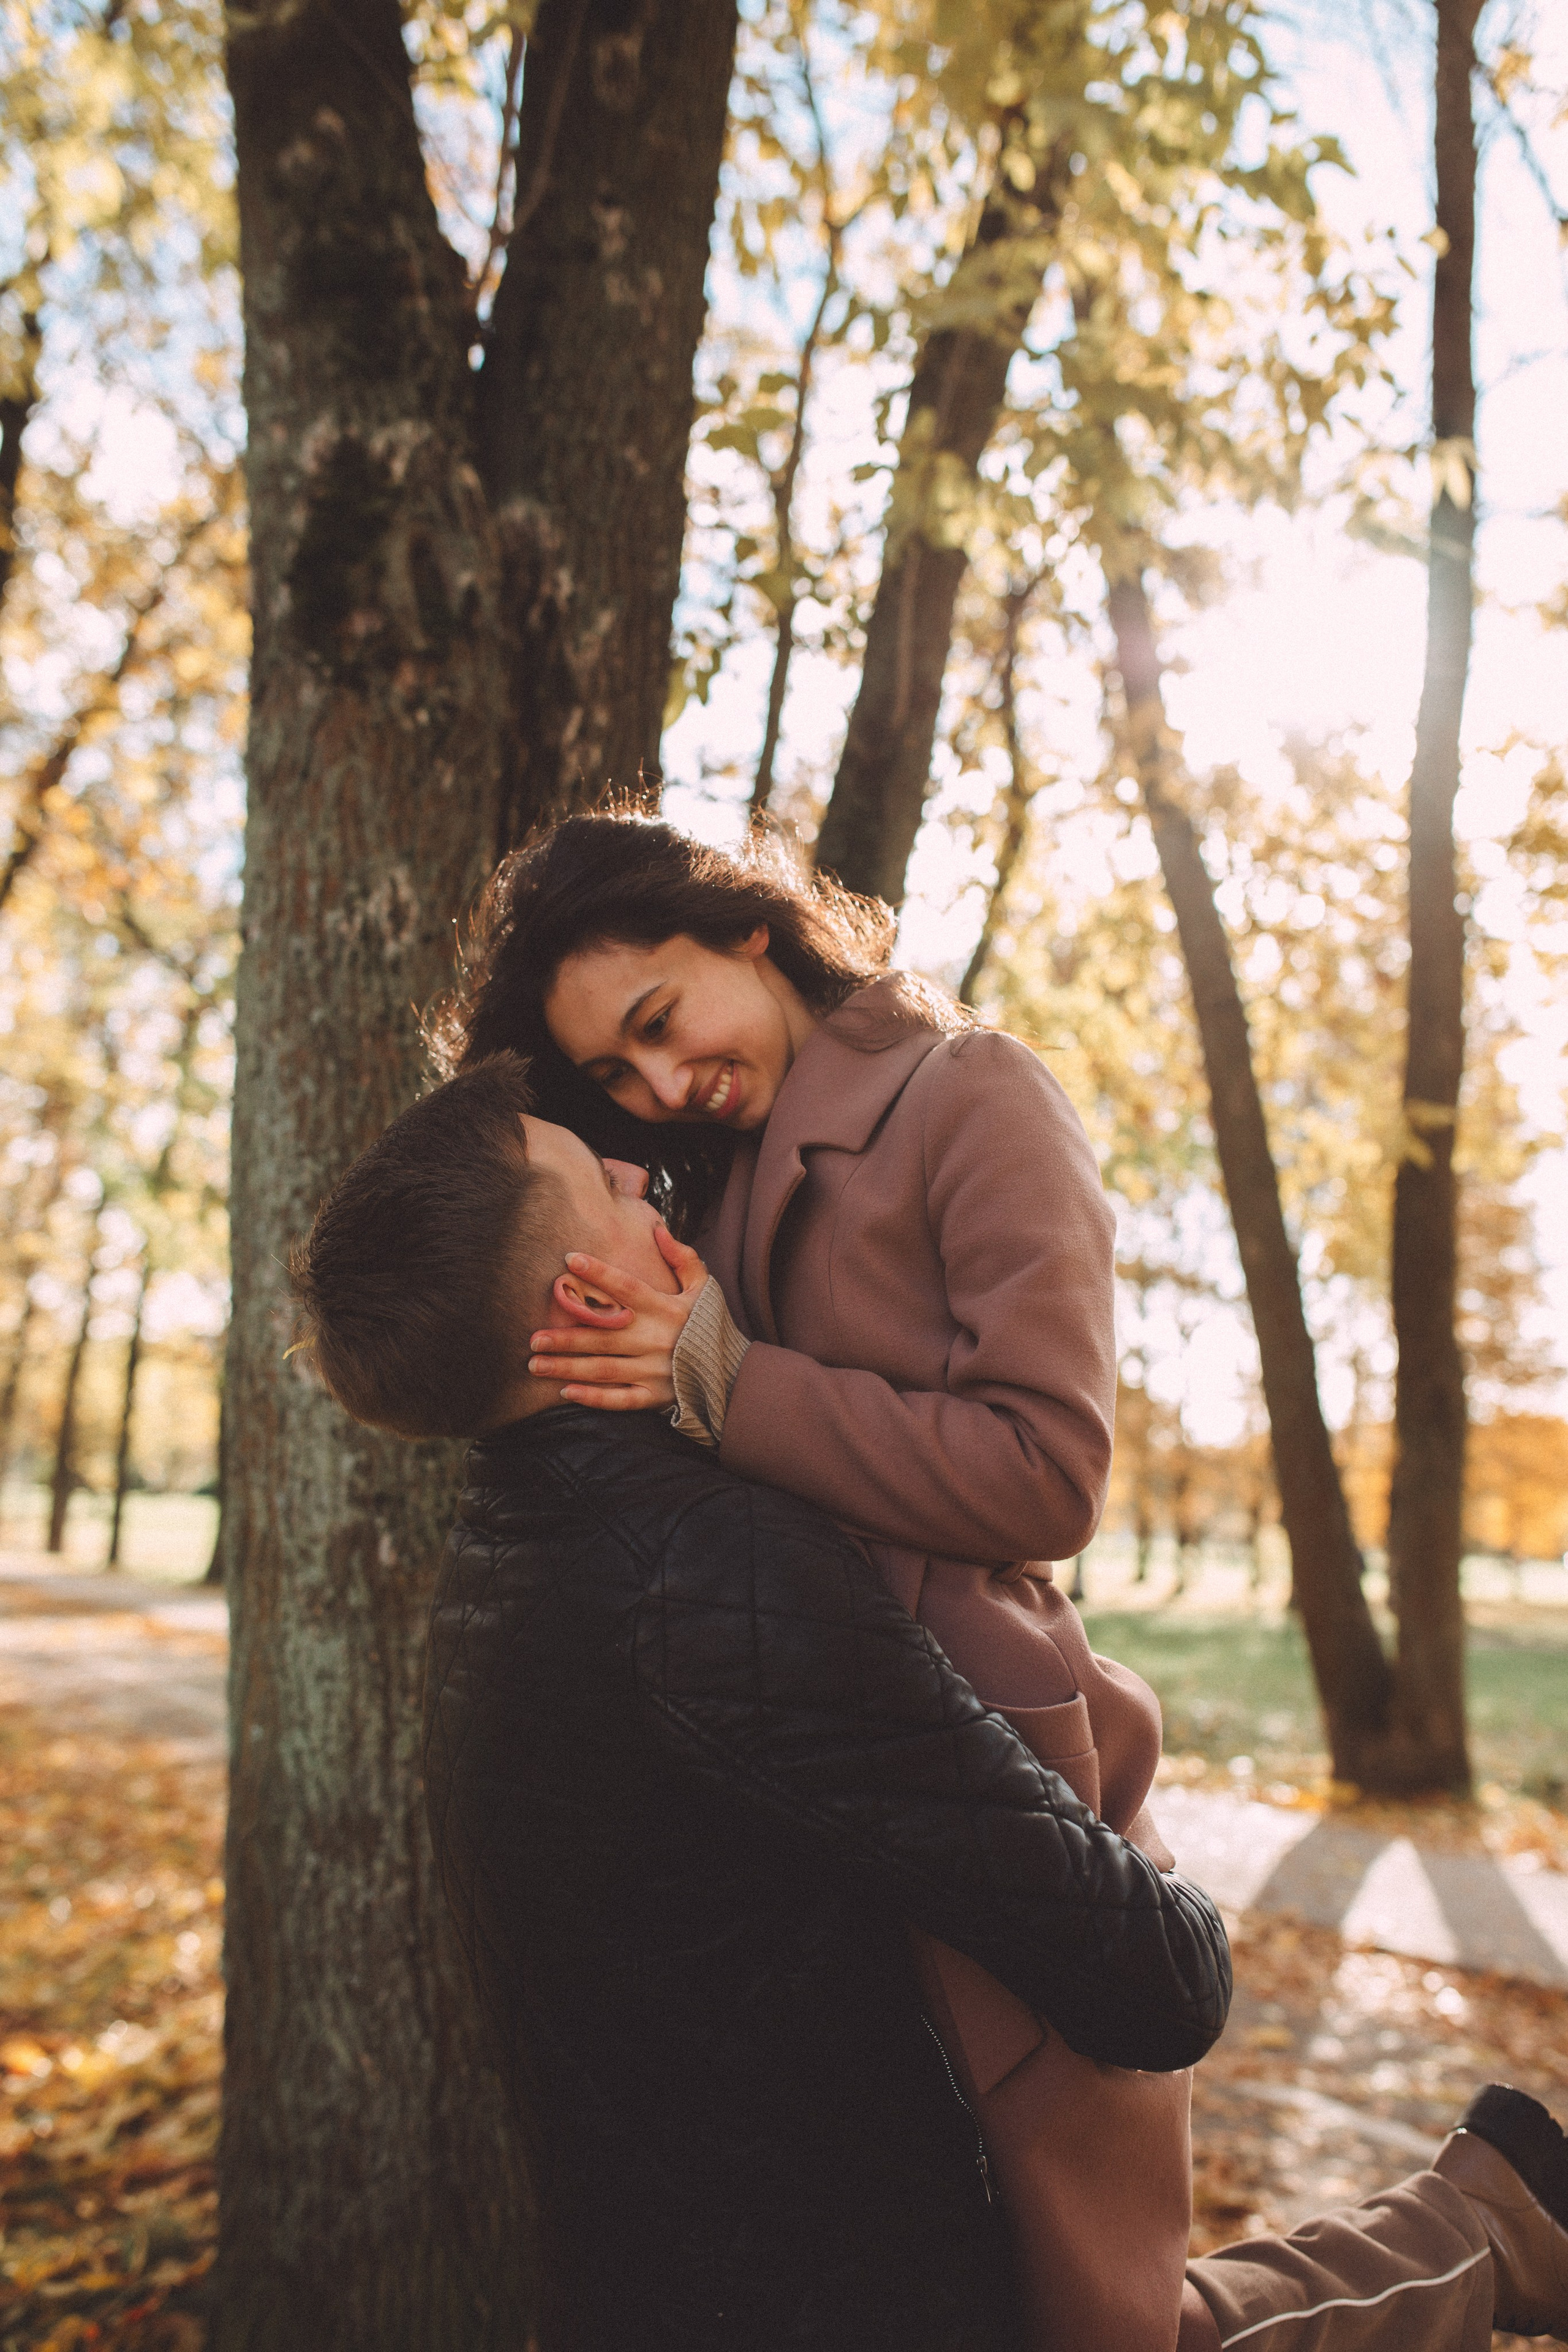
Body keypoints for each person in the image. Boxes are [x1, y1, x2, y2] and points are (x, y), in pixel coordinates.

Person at [289, 1056, 1568, 2352]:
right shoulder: (704, 1572)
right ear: (583, 1293)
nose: (634, 1167)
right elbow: (1158, 1979)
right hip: (857, 2293)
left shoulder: (492, 1575)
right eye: (594, 1174)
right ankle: (1486, 2223)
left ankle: (1490, 2218)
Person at [431, 812, 1191, 2345]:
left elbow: (1050, 1470)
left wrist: (723, 1376)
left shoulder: (970, 1095)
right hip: (791, 1804)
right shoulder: (690, 1175)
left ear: (746, 933)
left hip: (985, 1759)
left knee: (1090, 2315)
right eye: (614, 1080)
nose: (658, 1086)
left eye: (660, 1024)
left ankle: (1470, 2229)